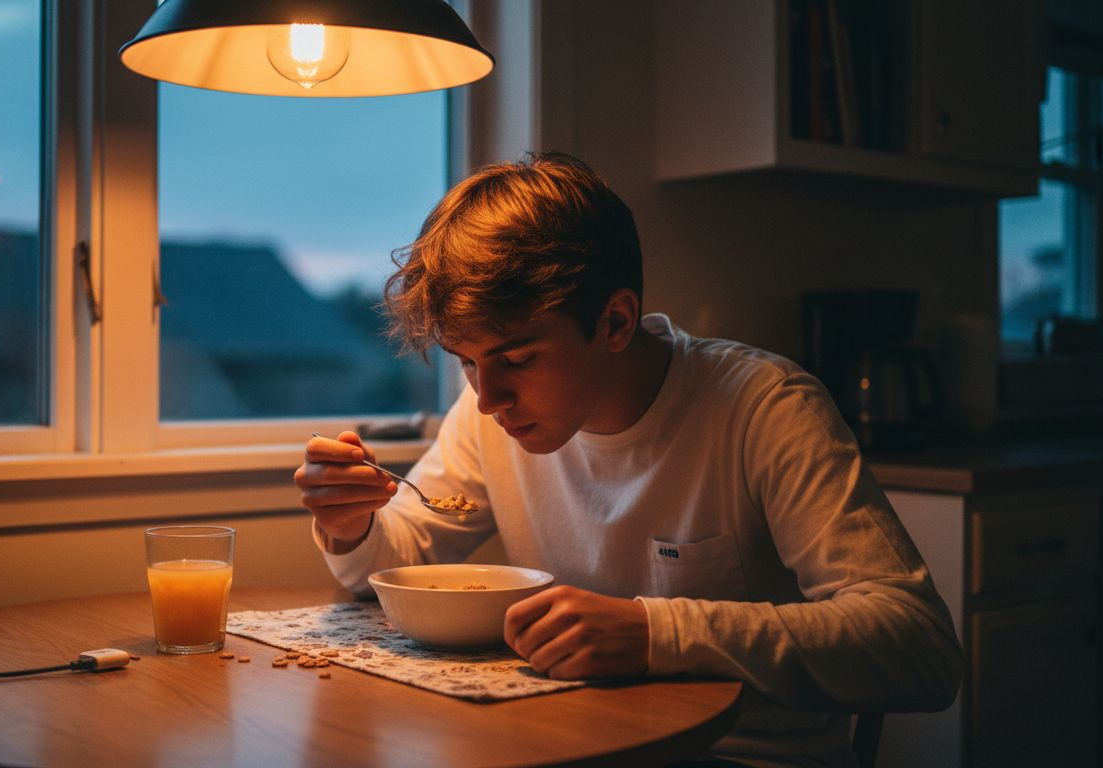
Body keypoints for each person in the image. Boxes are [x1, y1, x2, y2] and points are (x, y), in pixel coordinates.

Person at [294, 153, 961, 767]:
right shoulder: (488, 414)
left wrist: (655, 632)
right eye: (466, 362)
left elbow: (918, 647)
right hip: (573, 742)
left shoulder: (763, 407)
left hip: (739, 756)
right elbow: (394, 564)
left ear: (615, 321)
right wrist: (351, 523)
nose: (488, 397)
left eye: (516, 358)